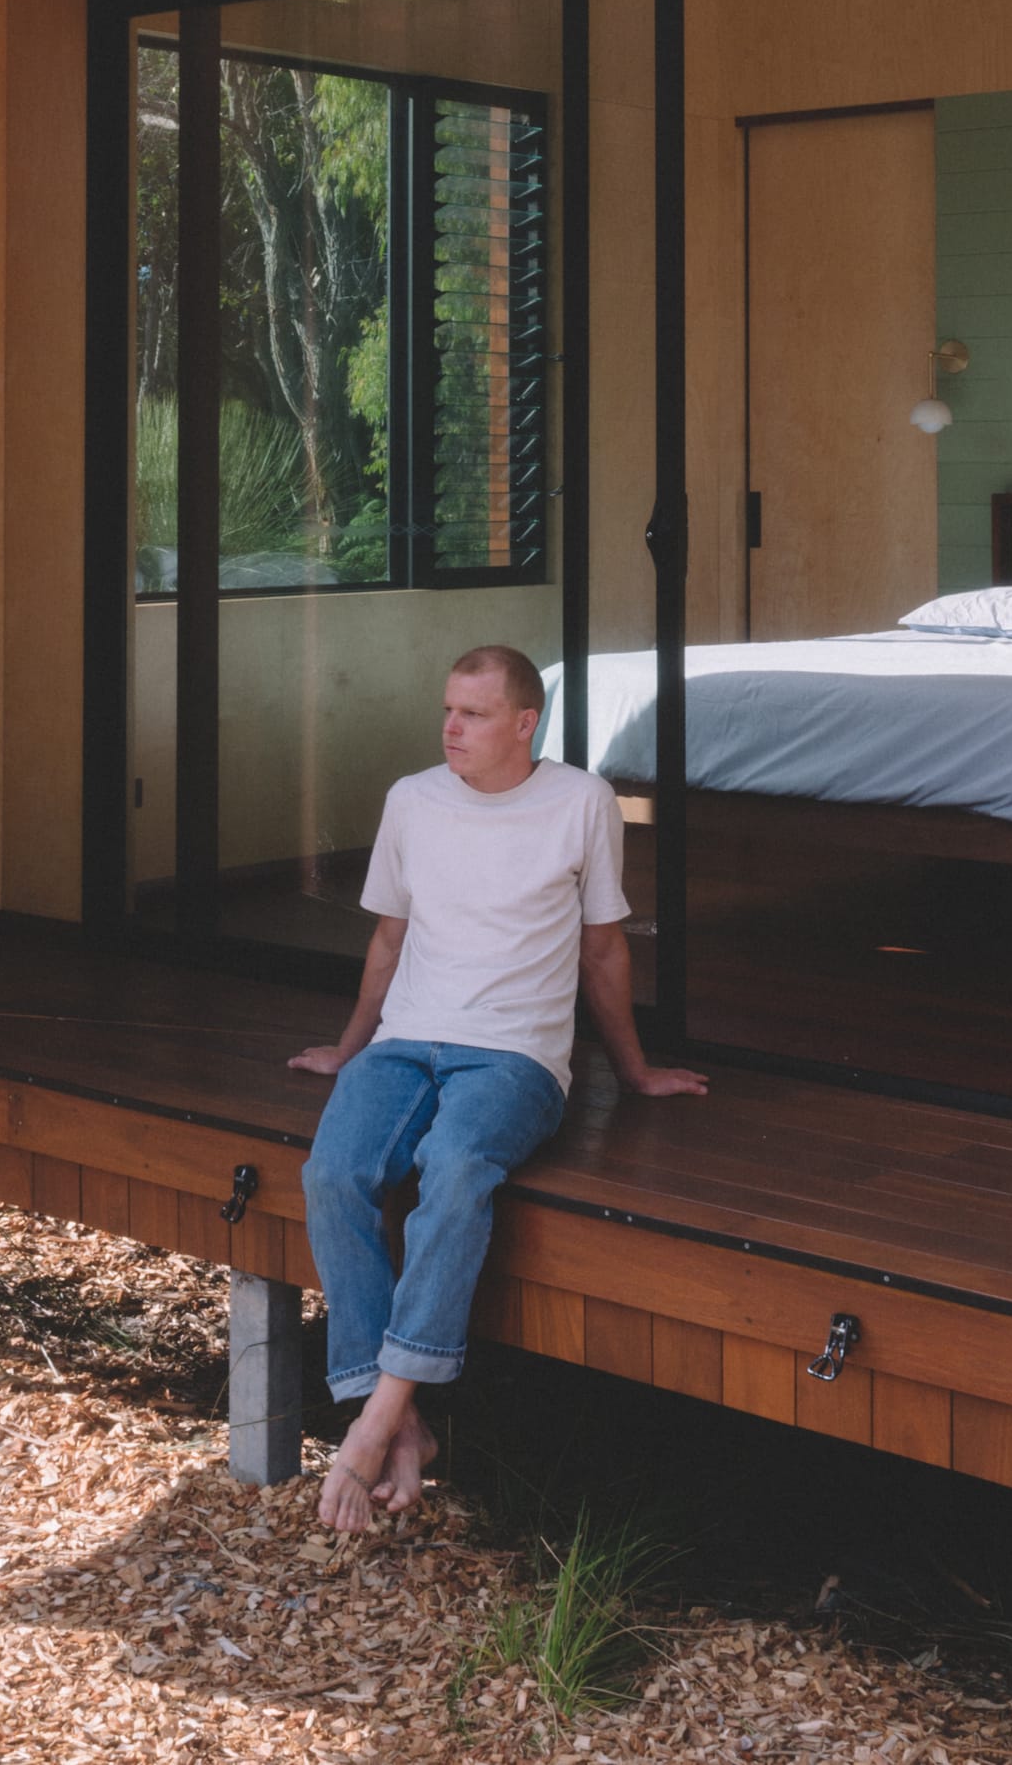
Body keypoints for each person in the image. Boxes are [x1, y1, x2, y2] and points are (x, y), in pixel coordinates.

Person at [289, 642, 706, 1530]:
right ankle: (399, 1422)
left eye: (473, 714)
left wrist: (632, 1071)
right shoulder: (412, 800)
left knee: (455, 1168)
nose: (451, 727)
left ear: (526, 723)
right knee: (332, 1172)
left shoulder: (581, 803)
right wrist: (348, 1046)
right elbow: (389, 942)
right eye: (447, 709)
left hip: (514, 1056)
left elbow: (602, 947)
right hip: (405, 1042)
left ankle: (372, 1423)